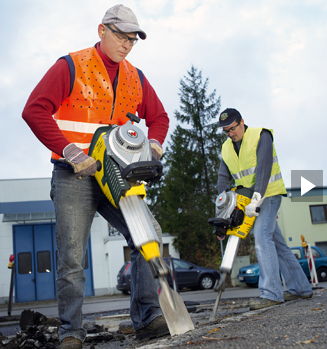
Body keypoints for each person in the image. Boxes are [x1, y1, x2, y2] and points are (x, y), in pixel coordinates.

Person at [22, 5, 169, 349]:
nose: (126, 44)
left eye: (133, 39)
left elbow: (159, 117)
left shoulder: (136, 77)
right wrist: (71, 152)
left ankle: (147, 318)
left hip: (116, 176)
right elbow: (34, 109)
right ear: (101, 31)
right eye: (121, 36)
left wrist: (155, 144)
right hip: (73, 175)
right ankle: (71, 332)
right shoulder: (71, 65)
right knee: (72, 256)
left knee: (149, 235)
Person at [217, 108, 313, 310]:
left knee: (262, 237)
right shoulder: (226, 148)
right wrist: (223, 209)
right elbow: (223, 178)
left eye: (233, 128)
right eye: (226, 131)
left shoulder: (261, 135)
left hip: (268, 193)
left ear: (242, 122)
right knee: (277, 243)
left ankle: (271, 293)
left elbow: (264, 168)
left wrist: (257, 198)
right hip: (247, 200)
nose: (230, 133)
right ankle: (301, 288)